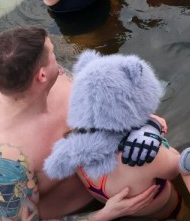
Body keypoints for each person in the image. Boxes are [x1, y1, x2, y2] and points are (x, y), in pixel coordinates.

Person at [0, 27, 161, 220]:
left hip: (116, 188)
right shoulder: (2, 162)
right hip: (85, 213)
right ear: (41, 75)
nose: (57, 59)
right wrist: (104, 215)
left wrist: (144, 121)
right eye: (52, 54)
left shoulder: (60, 80)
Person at [44, 51, 181, 219]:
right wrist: (153, 129)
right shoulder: (144, 155)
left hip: (120, 212)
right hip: (164, 211)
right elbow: (177, 166)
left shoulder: (71, 143)